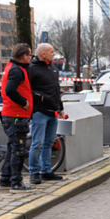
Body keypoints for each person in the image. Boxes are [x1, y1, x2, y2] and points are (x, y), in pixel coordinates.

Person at [28, 43, 65, 185]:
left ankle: (46, 171)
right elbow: (27, 90)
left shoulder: (53, 68)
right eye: (51, 52)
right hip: (39, 112)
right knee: (37, 143)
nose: (54, 54)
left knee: (49, 142)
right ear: (43, 54)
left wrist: (60, 107)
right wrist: (41, 98)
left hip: (53, 111)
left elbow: (56, 89)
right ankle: (33, 172)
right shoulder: (32, 68)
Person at [0, 43, 35, 192]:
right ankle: (16, 183)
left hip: (12, 114)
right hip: (16, 115)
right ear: (24, 56)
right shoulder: (17, 70)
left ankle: (5, 179)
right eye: (30, 55)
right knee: (18, 150)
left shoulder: (12, 67)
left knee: (12, 148)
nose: (31, 57)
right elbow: (10, 89)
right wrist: (24, 103)